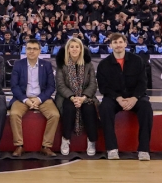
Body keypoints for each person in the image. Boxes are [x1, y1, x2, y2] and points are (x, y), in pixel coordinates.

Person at [96, 33, 153, 161]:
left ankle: (144, 149)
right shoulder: (103, 65)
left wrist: (134, 98)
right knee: (104, 107)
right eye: (115, 43)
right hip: (114, 98)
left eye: (120, 42)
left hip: (136, 97)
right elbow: (103, 87)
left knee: (146, 107)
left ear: (125, 44)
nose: (118, 45)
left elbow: (143, 83)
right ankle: (112, 149)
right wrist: (118, 98)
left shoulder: (137, 60)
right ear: (110, 45)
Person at [8, 39, 58, 157]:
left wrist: (39, 99)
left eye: (34, 49)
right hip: (22, 98)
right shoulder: (18, 64)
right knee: (14, 114)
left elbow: (51, 86)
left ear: (39, 51)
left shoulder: (46, 65)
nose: (31, 51)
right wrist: (26, 100)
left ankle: (46, 146)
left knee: (54, 115)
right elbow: (14, 86)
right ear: (25, 50)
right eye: (29, 48)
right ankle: (19, 146)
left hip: (42, 98)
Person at [55, 38, 99, 157]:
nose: (74, 49)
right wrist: (73, 97)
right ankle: (65, 139)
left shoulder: (88, 64)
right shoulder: (61, 64)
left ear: (81, 49)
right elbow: (60, 85)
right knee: (69, 108)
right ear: (67, 49)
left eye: (77, 47)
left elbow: (93, 84)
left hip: (85, 96)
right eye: (72, 47)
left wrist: (83, 98)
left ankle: (91, 140)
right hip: (66, 97)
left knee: (89, 109)